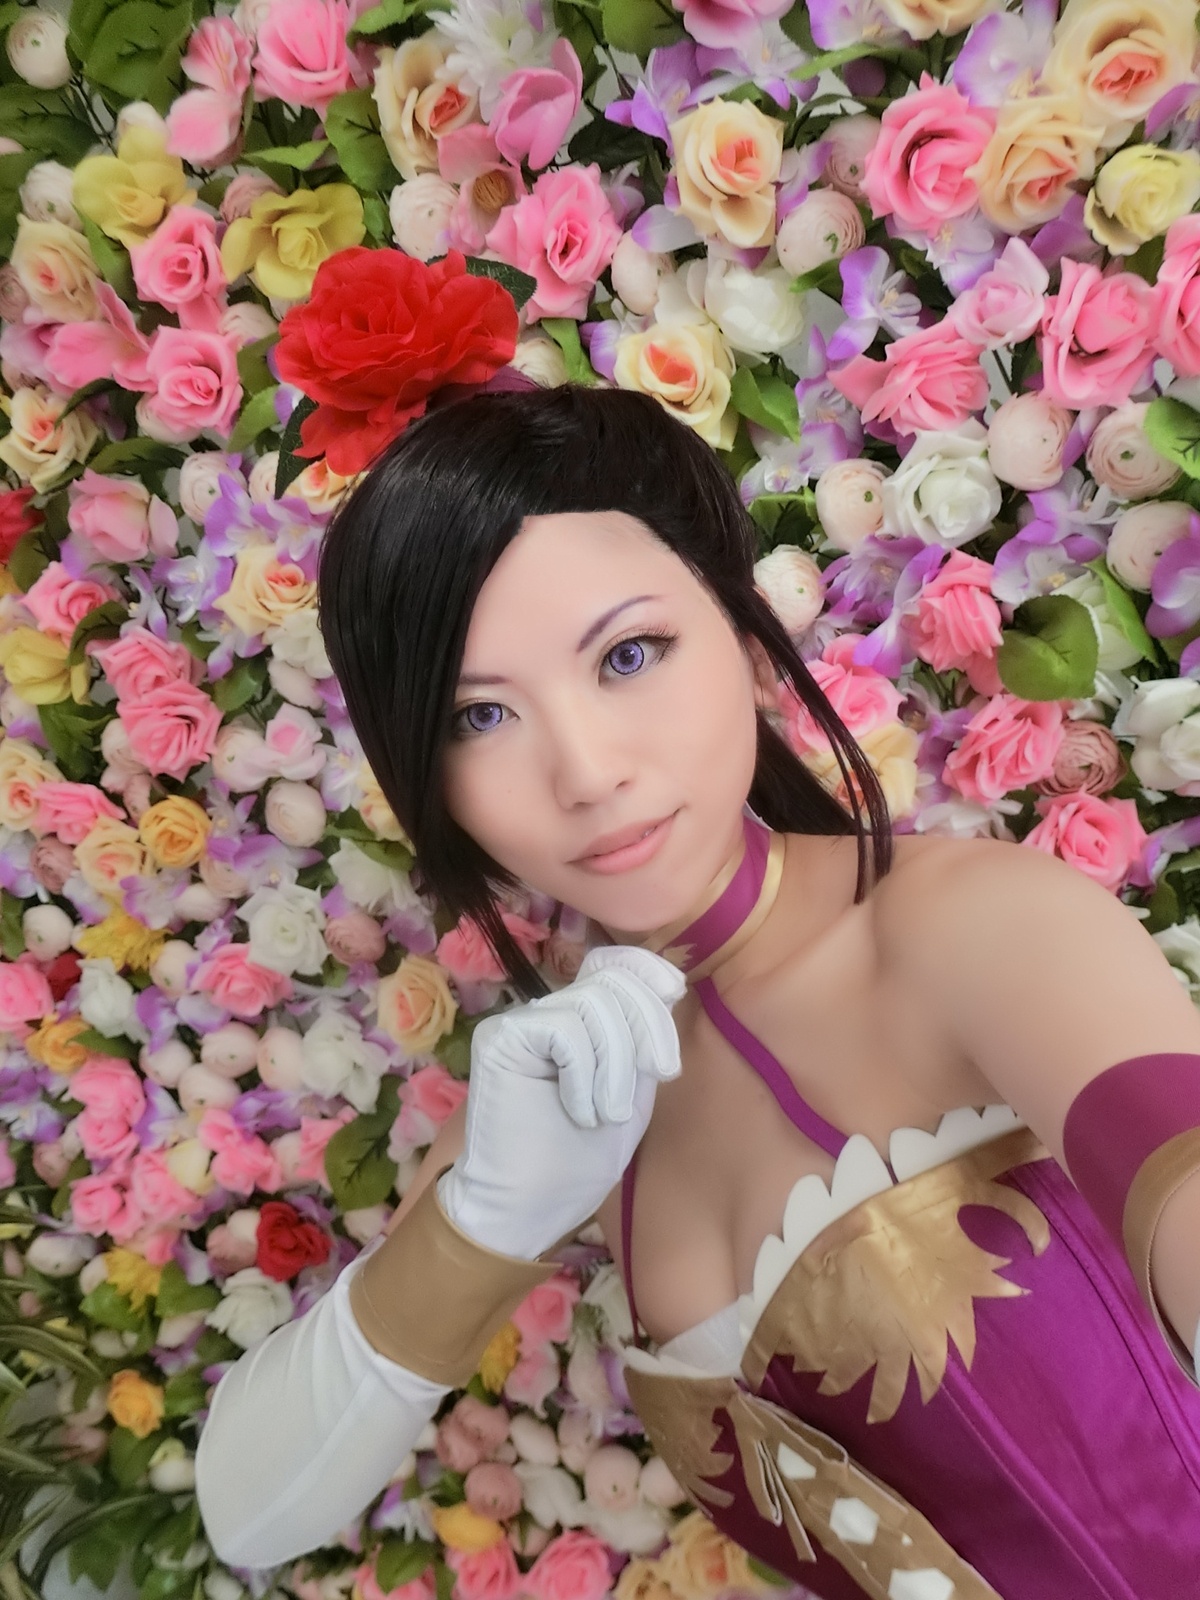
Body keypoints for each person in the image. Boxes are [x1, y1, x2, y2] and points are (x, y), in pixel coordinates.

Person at [195, 380, 1200, 1600]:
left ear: (746, 640)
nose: (586, 771)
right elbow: (252, 1511)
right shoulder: (556, 1110)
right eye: (479, 715)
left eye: (629, 654)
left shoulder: (968, 927)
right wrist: (487, 1221)